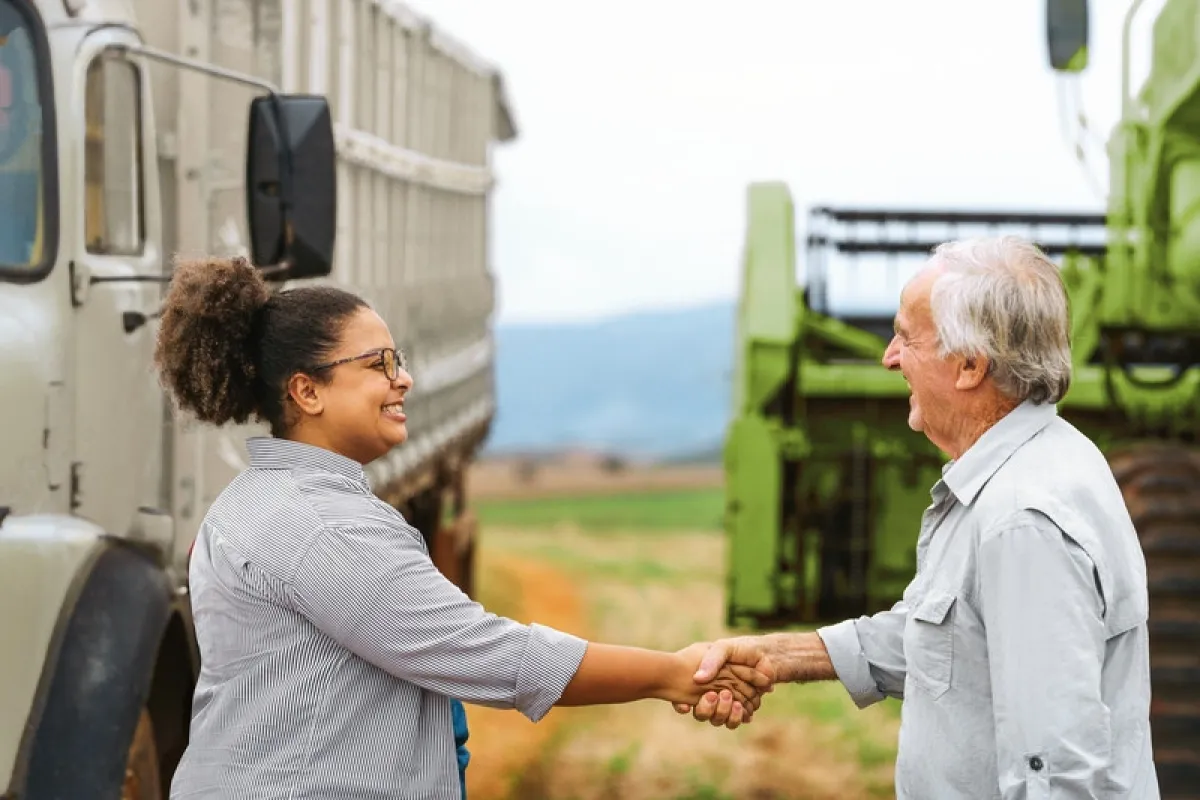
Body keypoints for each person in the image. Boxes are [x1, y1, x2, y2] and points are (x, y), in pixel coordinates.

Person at [155, 255, 775, 800]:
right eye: (378, 363)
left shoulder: (263, 501)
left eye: (398, 360)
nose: (404, 379)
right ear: (306, 391)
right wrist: (672, 673)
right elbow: (483, 653)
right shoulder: (319, 523)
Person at [676, 236, 1159, 798]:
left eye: (906, 336)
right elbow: (956, 644)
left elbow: (1051, 771)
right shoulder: (1035, 464)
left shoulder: (1022, 519)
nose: (889, 356)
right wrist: (780, 655)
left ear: (971, 365)